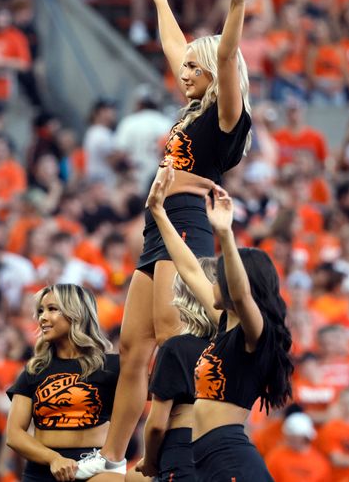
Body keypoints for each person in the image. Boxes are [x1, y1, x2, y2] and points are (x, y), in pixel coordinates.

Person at [75, 0, 255, 477]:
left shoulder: (225, 116)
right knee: (132, 345)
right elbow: (179, 46)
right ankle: (110, 459)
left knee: (175, 340)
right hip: (158, 226)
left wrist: (236, 6)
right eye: (187, 68)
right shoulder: (192, 105)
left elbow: (220, 55)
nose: (184, 71)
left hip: (190, 226)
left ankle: (175, 446)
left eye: (194, 68)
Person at [131, 166, 292, 481]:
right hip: (209, 461)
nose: (210, 282)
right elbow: (189, 269)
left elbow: (244, 295)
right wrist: (158, 212)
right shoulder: (224, 323)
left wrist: (225, 234)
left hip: (229, 460)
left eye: (218, 277)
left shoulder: (254, 334)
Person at [4, 284, 121, 482]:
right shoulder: (34, 369)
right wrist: (54, 459)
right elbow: (14, 435)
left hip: (96, 467)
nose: (42, 317)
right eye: (40, 311)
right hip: (42, 471)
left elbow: (159, 394)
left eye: (52, 309)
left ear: (76, 313)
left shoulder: (112, 366)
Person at [134, 258, 218, 480]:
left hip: (184, 447)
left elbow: (156, 425)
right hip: (229, 448)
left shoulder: (176, 347)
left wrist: (150, 461)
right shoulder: (237, 347)